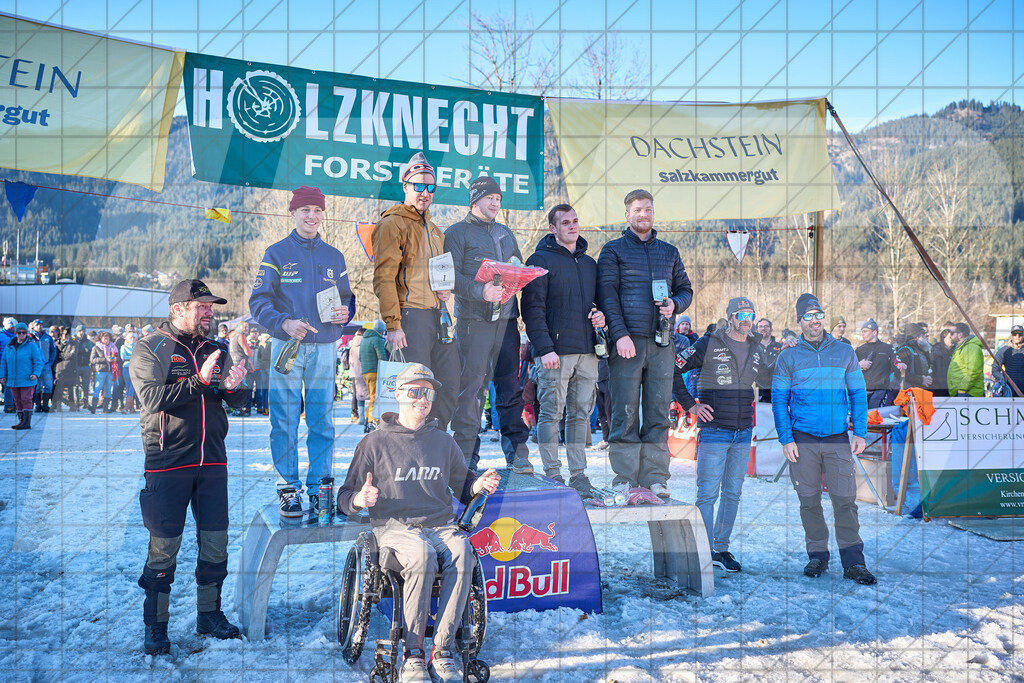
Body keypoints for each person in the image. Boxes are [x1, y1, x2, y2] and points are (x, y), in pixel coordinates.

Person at [338, 364, 500, 683]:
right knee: (422, 556)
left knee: (463, 554)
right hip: (394, 526)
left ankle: (441, 651)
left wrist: (477, 485)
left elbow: (462, 483)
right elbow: (344, 496)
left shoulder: (443, 441)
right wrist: (360, 499)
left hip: (440, 525)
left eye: (427, 392)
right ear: (397, 394)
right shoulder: (373, 444)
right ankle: (413, 655)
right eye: (415, 391)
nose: (422, 399)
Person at [131, 279, 249, 655]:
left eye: (211, 307)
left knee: (216, 544)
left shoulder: (215, 347)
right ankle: (156, 626)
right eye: (202, 306)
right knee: (164, 549)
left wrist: (234, 386)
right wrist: (198, 381)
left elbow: (232, 399)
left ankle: (209, 615)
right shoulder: (151, 347)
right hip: (169, 462)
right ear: (178, 308)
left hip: (213, 459)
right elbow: (152, 399)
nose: (209, 312)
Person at [249, 185, 355, 518]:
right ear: (292, 213)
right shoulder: (276, 253)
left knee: (323, 421)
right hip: (287, 348)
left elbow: (347, 299)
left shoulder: (334, 257)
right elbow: (258, 303)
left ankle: (320, 488)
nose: (312, 216)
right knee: (285, 420)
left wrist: (346, 313)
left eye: (317, 211)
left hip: (324, 348)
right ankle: (289, 488)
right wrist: (284, 322)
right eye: (305, 210)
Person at [772, 293, 875, 585]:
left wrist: (860, 431)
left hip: (837, 438)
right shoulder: (788, 356)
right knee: (809, 501)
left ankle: (853, 562)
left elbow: (857, 394)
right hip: (802, 439)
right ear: (799, 321)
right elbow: (780, 401)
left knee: (845, 501)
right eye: (808, 315)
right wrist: (786, 438)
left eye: (818, 314)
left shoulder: (844, 351)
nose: (814, 320)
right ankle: (818, 556)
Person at [597, 189, 693, 498]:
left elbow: (686, 289)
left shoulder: (669, 251)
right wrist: (619, 334)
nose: (643, 214)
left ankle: (655, 476)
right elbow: (607, 296)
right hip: (627, 342)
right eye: (637, 209)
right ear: (627, 215)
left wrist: (675, 305)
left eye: (648, 209)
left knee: (657, 412)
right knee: (624, 412)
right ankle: (624, 477)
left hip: (662, 343)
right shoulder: (613, 250)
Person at [675, 297, 768, 572]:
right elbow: (673, 368)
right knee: (707, 494)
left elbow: (769, 379)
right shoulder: (708, 343)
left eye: (750, 314)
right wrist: (691, 405)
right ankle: (703, 550)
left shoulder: (756, 348)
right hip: (715, 431)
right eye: (741, 314)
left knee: (733, 494)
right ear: (730, 317)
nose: (746, 319)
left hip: (742, 431)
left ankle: (721, 549)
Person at [445, 175, 532, 473]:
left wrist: (520, 275)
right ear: (474, 200)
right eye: (489, 198)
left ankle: (518, 455)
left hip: (507, 321)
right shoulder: (457, 233)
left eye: (498, 199)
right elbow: (450, 277)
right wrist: (479, 291)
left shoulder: (506, 232)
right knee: (472, 390)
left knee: (510, 389)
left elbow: (517, 264)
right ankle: (465, 457)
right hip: (473, 322)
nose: (495, 203)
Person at [521, 203, 606, 493]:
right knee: (550, 414)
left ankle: (579, 475)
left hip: (588, 351)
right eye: (565, 222)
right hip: (555, 353)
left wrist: (600, 316)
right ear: (552, 228)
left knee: (580, 415)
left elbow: (598, 303)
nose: (572, 226)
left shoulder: (589, 263)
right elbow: (532, 310)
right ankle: (553, 474)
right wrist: (544, 349)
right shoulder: (539, 261)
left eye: (575, 221)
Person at [372, 152, 460, 429]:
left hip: (439, 315)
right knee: (415, 389)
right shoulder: (391, 223)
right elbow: (384, 278)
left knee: (449, 382)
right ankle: (409, 449)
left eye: (430, 187)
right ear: (405, 185)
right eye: (419, 185)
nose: (425, 192)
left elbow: (435, 271)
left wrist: (444, 290)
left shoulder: (434, 229)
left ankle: (435, 442)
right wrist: (393, 324)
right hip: (410, 318)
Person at [1, 322, 43, 430]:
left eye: (24, 333)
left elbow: (38, 361)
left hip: (27, 379)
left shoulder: (32, 345)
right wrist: (3, 376)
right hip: (13, 379)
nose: (21, 335)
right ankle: (21, 421)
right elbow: (4, 362)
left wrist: (35, 373)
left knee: (26, 399)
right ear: (16, 333)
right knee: (17, 401)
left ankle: (26, 422)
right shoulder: (9, 346)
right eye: (19, 332)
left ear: (26, 333)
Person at [856, 319, 903, 408]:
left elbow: (897, 368)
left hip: (880, 390)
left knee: (874, 418)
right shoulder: (859, 350)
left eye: (865, 331)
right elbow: (849, 369)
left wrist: (894, 384)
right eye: (862, 331)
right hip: (862, 392)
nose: (862, 334)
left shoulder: (887, 348)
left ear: (874, 332)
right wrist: (859, 365)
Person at [359, 320, 388, 427]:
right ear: (382, 331)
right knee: (375, 397)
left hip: (365, 372)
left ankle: (368, 417)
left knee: (372, 396)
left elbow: (360, 358)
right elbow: (382, 358)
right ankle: (372, 420)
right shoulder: (378, 340)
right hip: (375, 371)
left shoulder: (364, 339)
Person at [947, 322, 984, 397]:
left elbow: (973, 371)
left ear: (960, 335)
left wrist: (963, 388)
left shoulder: (972, 348)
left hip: (968, 393)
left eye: (951, 333)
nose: (950, 336)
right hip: (962, 393)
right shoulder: (960, 348)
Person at [88, 330, 119, 414]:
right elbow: (92, 359)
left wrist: (115, 359)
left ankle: (105, 408)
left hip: (110, 371)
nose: (106, 340)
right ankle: (93, 407)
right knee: (97, 388)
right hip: (100, 370)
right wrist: (106, 359)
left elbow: (118, 358)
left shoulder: (113, 347)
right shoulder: (96, 347)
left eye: (108, 339)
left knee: (108, 389)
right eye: (105, 339)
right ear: (101, 339)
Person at [755, 318, 783, 403]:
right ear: (756, 330)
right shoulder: (752, 347)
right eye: (760, 326)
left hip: (775, 391)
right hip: (757, 392)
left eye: (766, 326)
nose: (763, 328)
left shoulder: (780, 347)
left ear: (771, 329)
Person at [31, 319, 57, 412]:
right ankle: (38, 405)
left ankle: (45, 405)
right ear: (34, 326)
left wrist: (50, 362)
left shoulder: (47, 337)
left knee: (48, 385)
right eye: (37, 325)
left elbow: (53, 350)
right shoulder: (30, 337)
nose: (39, 327)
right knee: (36, 386)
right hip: (35, 365)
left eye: (41, 325)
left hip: (46, 365)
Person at [991, 325, 1024, 396]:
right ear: (1011, 335)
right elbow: (995, 370)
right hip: (1009, 390)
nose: (1017, 336)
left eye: (1020, 334)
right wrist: (1004, 379)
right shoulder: (1004, 351)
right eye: (1014, 334)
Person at [930, 329, 956, 397]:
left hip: (953, 389)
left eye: (953, 337)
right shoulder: (936, 353)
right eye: (950, 337)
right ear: (943, 338)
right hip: (939, 391)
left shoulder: (957, 352)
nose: (952, 339)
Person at [120, 331, 139, 413]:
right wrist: (133, 356)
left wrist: (131, 357)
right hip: (126, 367)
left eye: (134, 337)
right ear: (127, 338)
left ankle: (126, 407)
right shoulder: (123, 346)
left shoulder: (139, 346)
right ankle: (131, 408)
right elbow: (123, 356)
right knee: (129, 388)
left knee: (132, 387)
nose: (132, 339)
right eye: (131, 337)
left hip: (136, 368)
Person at [1, 317, 16, 413]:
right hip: (2, 363)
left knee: (9, 384)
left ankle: (9, 405)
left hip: (10, 364)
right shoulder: (1, 336)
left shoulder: (15, 336)